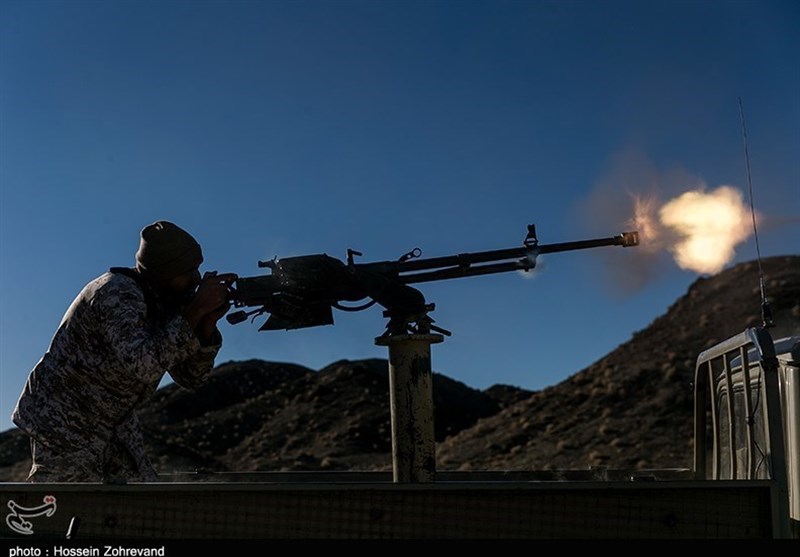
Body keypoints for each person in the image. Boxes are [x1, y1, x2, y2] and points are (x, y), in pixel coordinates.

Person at [11, 221, 237, 483]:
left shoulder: (163, 301)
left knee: (140, 503)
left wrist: (205, 328)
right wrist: (193, 312)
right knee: (63, 505)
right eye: (187, 271)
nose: (196, 279)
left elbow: (191, 377)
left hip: (110, 421)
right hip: (64, 416)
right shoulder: (116, 292)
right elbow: (144, 363)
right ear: (163, 273)